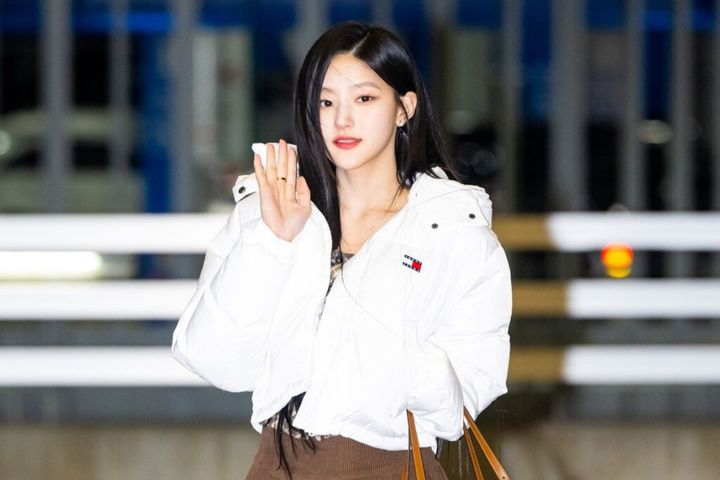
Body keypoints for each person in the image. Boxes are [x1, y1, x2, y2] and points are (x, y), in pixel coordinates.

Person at [172, 21, 512, 480]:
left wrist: (391, 342)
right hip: (276, 463)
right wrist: (273, 241)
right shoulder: (274, 209)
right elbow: (211, 359)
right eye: (326, 101)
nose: (342, 120)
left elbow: (463, 400)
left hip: (389, 464)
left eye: (364, 99)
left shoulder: (451, 231)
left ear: (404, 108)